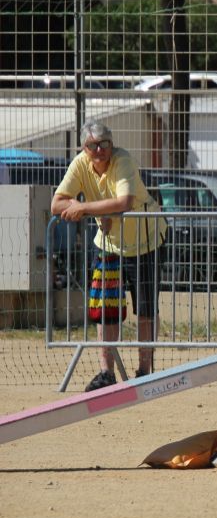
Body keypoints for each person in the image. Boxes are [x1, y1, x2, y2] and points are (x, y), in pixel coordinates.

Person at [51, 120, 167, 391]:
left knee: (146, 310)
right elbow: (56, 203)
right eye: (93, 145)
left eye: (105, 143)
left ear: (112, 145)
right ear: (84, 148)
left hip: (145, 241)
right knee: (105, 309)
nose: (100, 150)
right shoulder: (79, 163)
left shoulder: (122, 160)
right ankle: (106, 372)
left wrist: (85, 208)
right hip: (108, 245)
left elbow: (123, 202)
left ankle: (144, 371)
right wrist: (94, 211)